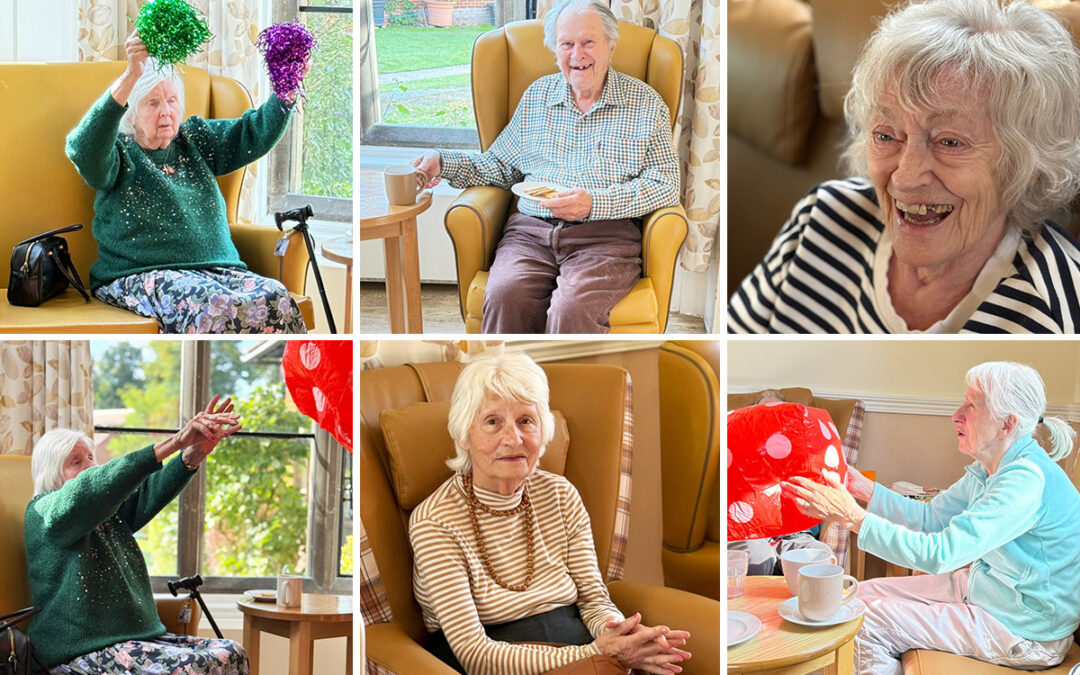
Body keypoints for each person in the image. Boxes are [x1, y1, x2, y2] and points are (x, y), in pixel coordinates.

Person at [729, 0, 1080, 334]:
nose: (906, 178)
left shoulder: (1052, 313)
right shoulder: (822, 219)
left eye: (950, 142)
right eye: (886, 135)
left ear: (1025, 162)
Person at [785, 362, 1080, 673]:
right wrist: (863, 487)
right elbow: (930, 517)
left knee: (866, 621)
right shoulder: (991, 467)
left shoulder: (1024, 481)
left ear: (1006, 425)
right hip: (987, 592)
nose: (956, 414)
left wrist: (851, 517)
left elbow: (940, 555)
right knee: (859, 596)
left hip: (1025, 631)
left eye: (972, 406)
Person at [408, 353, 692, 674]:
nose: (513, 438)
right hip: (501, 659)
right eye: (492, 422)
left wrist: (621, 636)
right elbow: (475, 654)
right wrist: (594, 655)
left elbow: (593, 600)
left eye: (526, 420)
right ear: (463, 433)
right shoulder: (434, 522)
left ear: (543, 431)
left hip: (578, 644)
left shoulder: (561, 495)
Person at [411, 0, 680, 334]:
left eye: (588, 42)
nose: (576, 54)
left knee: (571, 311)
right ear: (554, 49)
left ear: (611, 45)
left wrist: (594, 204)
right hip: (530, 232)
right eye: (566, 43)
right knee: (503, 295)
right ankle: (505, 385)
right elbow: (499, 165)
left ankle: (570, 386)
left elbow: (665, 183)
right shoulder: (537, 96)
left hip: (605, 238)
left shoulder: (646, 104)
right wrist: (443, 162)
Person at [65, 31, 308, 334]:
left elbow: (252, 133)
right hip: (140, 274)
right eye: (152, 103)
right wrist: (131, 76)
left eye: (171, 100)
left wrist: (287, 84)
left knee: (277, 298)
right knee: (215, 308)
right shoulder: (119, 153)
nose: (165, 110)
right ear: (132, 114)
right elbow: (82, 148)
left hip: (216, 270)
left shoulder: (195, 139)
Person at [26, 396, 245, 674]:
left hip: (134, 642)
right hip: (82, 650)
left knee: (230, 652)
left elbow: (146, 492)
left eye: (91, 457)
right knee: (196, 666)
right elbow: (95, 487)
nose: (91, 466)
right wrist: (176, 441)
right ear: (52, 475)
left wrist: (192, 453)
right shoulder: (45, 511)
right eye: (76, 462)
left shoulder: (106, 512)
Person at [729, 391, 833, 574]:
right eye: (764, 414)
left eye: (778, 414)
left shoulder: (805, 455)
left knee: (822, 556)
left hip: (796, 534)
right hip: (749, 533)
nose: (771, 419)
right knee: (758, 558)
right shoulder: (736, 450)